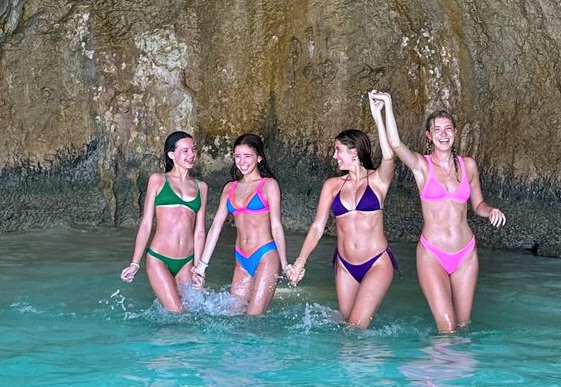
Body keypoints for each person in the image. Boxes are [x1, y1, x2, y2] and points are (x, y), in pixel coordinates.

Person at [371, 91, 504, 332]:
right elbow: (396, 145)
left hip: (466, 254)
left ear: (455, 132)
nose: (444, 134)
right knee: (448, 328)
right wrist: (387, 105)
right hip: (432, 254)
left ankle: (457, 369)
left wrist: (491, 210)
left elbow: (478, 205)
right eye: (438, 130)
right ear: (429, 136)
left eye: (448, 129)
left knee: (463, 326)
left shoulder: (468, 165)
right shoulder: (422, 166)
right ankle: (438, 366)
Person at [286, 121, 396, 327]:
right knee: (347, 325)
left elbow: (389, 156)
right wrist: (300, 261)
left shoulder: (378, 180)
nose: (334, 156)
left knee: (355, 325)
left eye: (338, 150)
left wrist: (379, 114)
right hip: (345, 265)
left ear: (354, 152)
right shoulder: (332, 185)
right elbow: (318, 226)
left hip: (376, 262)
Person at [193, 133, 289, 315]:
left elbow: (276, 226)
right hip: (241, 258)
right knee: (233, 315)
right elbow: (216, 227)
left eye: (247, 156)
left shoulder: (269, 185)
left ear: (259, 158)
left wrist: (285, 265)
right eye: (237, 156)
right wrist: (201, 267)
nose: (242, 162)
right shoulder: (230, 188)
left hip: (265, 255)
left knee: (253, 318)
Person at [120, 131, 209, 313]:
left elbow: (199, 231)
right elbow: (146, 223)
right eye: (185, 151)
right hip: (159, 258)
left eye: (193, 150)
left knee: (190, 313)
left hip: (187, 261)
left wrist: (198, 269)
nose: (191, 155)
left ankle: (164, 340)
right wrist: (135, 262)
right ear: (171, 154)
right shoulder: (158, 180)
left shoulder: (201, 187)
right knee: (179, 313)